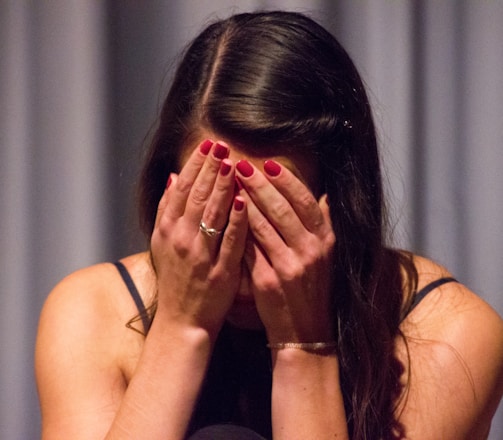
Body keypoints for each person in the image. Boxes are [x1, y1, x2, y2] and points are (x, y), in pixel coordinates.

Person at [35, 10, 503, 440]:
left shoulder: (451, 333)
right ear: (169, 193)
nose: (236, 249)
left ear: (340, 203)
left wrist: (304, 346)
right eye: (213, 211)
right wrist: (181, 329)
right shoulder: (91, 312)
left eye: (272, 216)